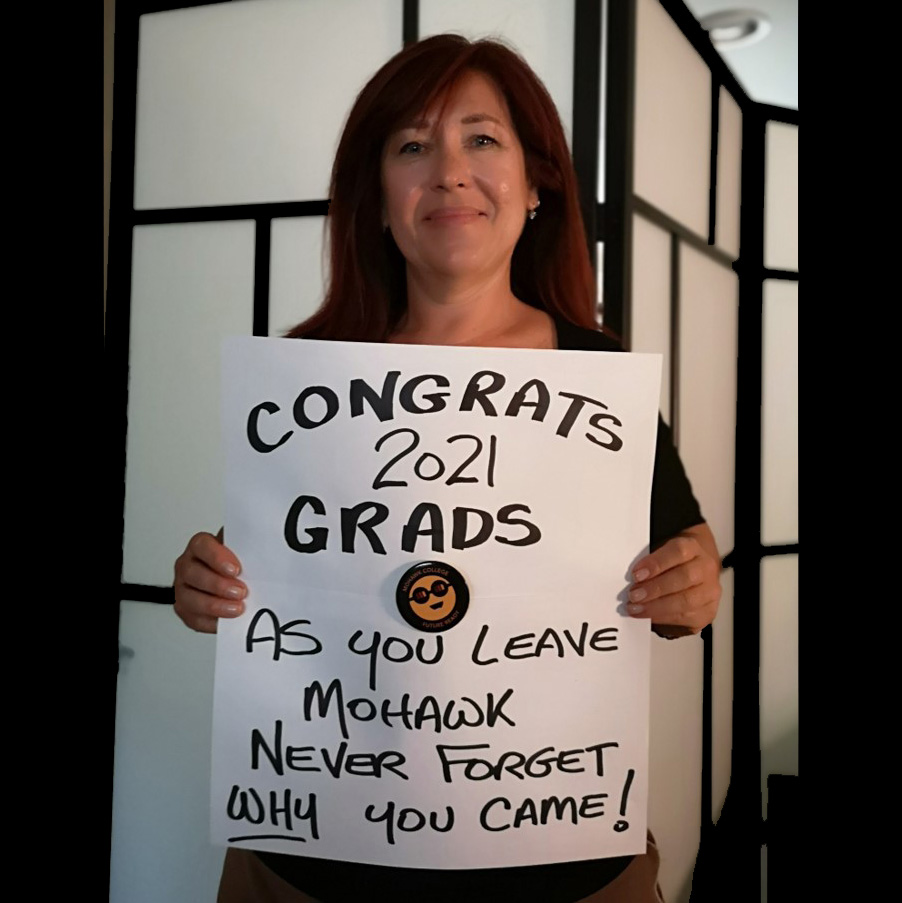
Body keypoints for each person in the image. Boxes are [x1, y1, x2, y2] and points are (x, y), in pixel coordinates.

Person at [173, 33, 722, 903]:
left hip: (558, 859)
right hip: (318, 861)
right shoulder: (310, 374)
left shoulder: (597, 374)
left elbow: (682, 558)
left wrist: (694, 585)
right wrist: (205, 584)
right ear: (379, 198)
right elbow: (261, 576)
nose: (450, 171)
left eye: (482, 138)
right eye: (413, 146)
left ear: (536, 184)